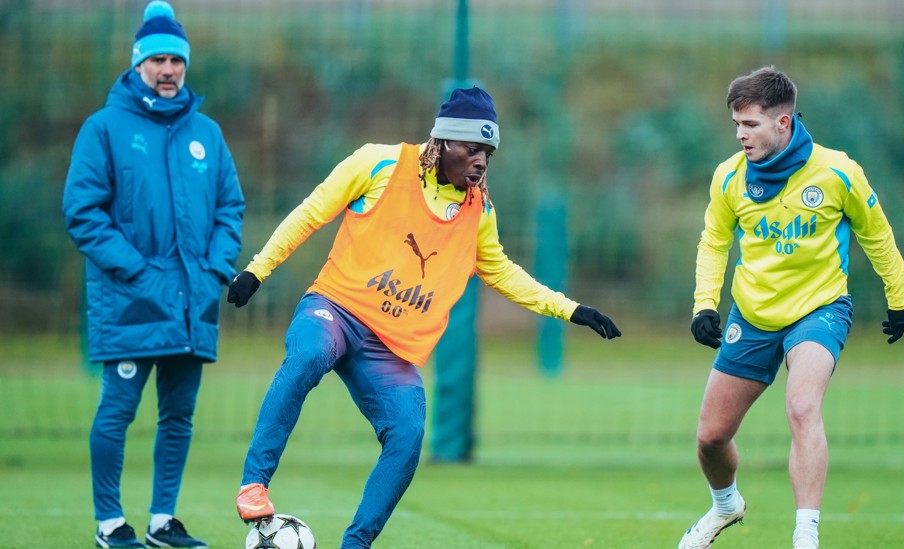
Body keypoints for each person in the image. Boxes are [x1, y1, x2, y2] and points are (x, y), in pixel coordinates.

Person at [227, 86, 621, 547]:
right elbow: (311, 212)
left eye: (488, 153)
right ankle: (255, 484)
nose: (481, 162)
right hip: (334, 308)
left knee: (409, 434)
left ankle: (356, 544)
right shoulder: (377, 163)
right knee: (308, 355)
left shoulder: (480, 211)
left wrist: (572, 309)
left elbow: (504, 272)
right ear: (443, 144)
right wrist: (258, 269)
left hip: (388, 346)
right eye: (472, 149)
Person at [680, 66, 904, 549]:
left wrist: (899, 297)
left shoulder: (838, 172)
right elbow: (714, 242)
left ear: (783, 123)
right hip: (753, 316)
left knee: (803, 406)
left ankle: (805, 536)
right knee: (710, 438)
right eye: (737, 125)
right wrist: (705, 304)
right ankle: (726, 506)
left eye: (751, 125)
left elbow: (876, 233)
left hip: (820, 309)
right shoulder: (729, 177)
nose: (740, 135)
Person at [62, 1, 245, 547]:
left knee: (179, 416)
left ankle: (163, 520)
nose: (168, 70)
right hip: (131, 298)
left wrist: (214, 267)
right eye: (158, 60)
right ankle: (110, 522)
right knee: (117, 412)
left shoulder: (207, 135)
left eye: (177, 61)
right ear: (138, 63)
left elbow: (230, 208)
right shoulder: (104, 129)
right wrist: (138, 271)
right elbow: (82, 212)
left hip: (194, 301)